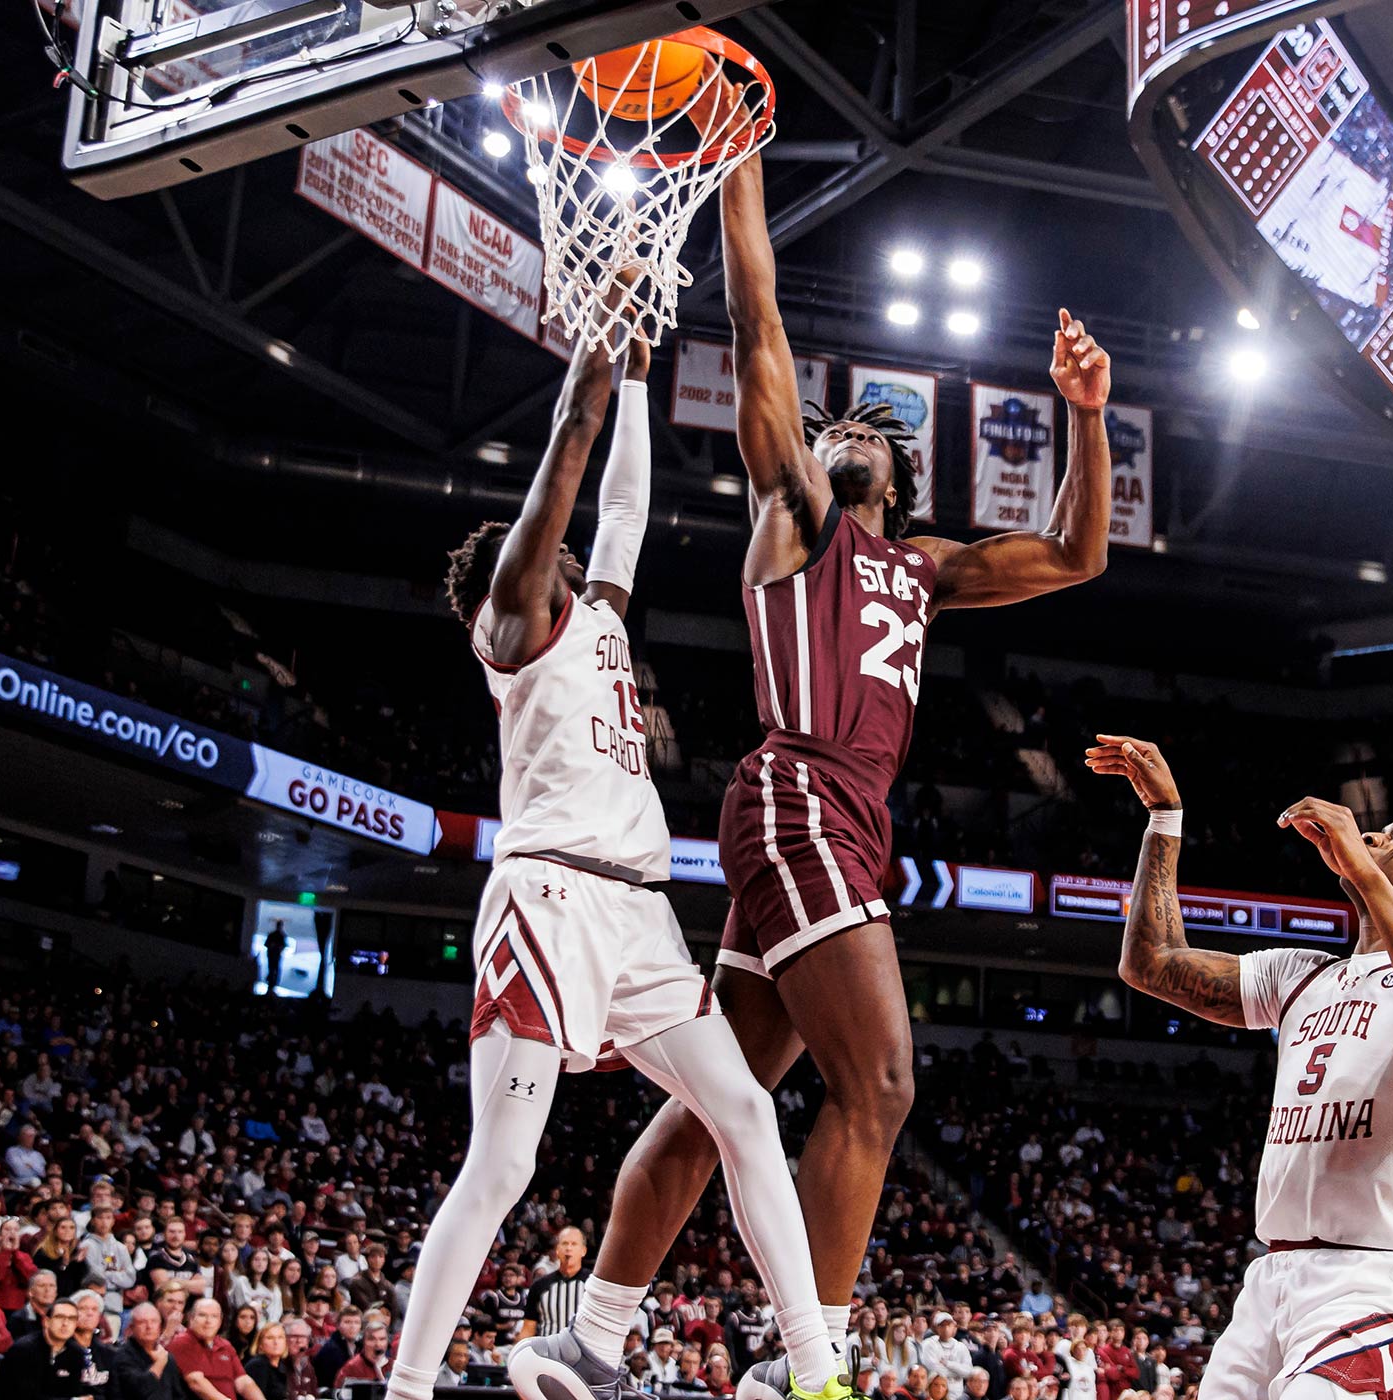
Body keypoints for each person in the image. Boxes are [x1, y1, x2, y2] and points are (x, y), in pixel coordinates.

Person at [563, 143, 1115, 1400]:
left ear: (903, 483)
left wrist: (1084, 411)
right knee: (880, 1080)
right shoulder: (794, 510)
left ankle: (589, 1335)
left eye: (870, 432)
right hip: (801, 789)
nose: (848, 433)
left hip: (842, 821)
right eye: (840, 425)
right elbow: (760, 315)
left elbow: (1080, 553)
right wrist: (739, 164)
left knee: (725, 1097)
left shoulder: (926, 565)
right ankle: (807, 1367)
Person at [413, 305, 839, 1400]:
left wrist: (644, 378)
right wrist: (598, 360)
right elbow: (567, 461)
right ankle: (404, 1385)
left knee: (743, 1111)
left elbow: (625, 506)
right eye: (541, 545)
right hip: (548, 899)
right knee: (503, 1165)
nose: (562, 546)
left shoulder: (594, 609)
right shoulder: (510, 618)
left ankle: (817, 1369)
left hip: (638, 912)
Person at [1091, 736, 1393, 1400]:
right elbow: (1152, 964)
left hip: (1383, 1279)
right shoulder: (1302, 974)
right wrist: (1164, 818)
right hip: (1274, 1280)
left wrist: (1366, 876)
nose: (1371, 835)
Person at [0, 1299, 102, 1400]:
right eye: (59, 1317)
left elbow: (73, 1391)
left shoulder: (76, 1352)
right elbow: (24, 1396)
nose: (65, 1323)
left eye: (71, 1319)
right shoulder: (24, 1349)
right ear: (46, 1321)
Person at [166, 1298, 264, 1400]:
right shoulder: (181, 1342)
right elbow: (196, 1383)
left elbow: (243, 1381)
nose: (208, 1321)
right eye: (202, 1315)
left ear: (220, 1321)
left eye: (214, 1316)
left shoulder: (225, 1345)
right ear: (191, 1318)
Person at [107, 1302, 177, 1400]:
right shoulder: (122, 1357)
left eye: (154, 1321)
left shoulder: (167, 1357)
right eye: (142, 1322)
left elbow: (178, 1394)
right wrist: (159, 1363)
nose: (149, 1326)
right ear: (131, 1328)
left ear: (160, 1327)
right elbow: (140, 1392)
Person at [243, 1317, 310, 1400]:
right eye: (270, 1338)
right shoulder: (257, 1366)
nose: (276, 1342)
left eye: (280, 1337)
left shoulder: (283, 1365)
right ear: (260, 1344)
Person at [333, 1320, 391, 1389]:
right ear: (363, 1342)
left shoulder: (392, 1365)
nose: (378, 1344)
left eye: (382, 1339)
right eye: (371, 1339)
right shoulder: (352, 1367)